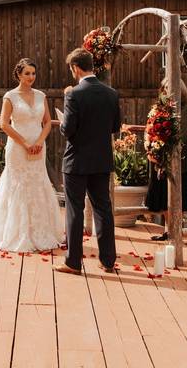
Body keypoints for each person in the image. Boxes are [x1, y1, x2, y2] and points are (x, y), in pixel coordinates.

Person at [0, 58, 63, 252]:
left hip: (38, 148)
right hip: (18, 148)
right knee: (17, 185)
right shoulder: (10, 96)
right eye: (27, 73)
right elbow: (4, 124)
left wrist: (39, 142)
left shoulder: (41, 95)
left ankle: (40, 231)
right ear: (18, 74)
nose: (31, 77)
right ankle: (15, 232)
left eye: (33, 73)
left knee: (38, 183)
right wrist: (26, 143)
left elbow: (48, 122)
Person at [56, 48, 121, 275]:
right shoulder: (111, 93)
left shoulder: (73, 94)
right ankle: (108, 261)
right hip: (101, 160)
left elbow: (68, 130)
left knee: (75, 209)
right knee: (103, 208)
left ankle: (73, 262)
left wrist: (63, 118)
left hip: (76, 162)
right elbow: (115, 128)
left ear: (75, 68)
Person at [145, 81, 187, 240]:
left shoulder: (186, 109)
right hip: (159, 157)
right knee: (161, 196)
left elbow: (183, 134)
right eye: (165, 88)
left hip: (178, 157)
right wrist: (149, 144)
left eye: (171, 87)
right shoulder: (158, 108)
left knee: (177, 195)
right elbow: (149, 128)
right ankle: (169, 231)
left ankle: (175, 232)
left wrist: (161, 141)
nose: (168, 91)